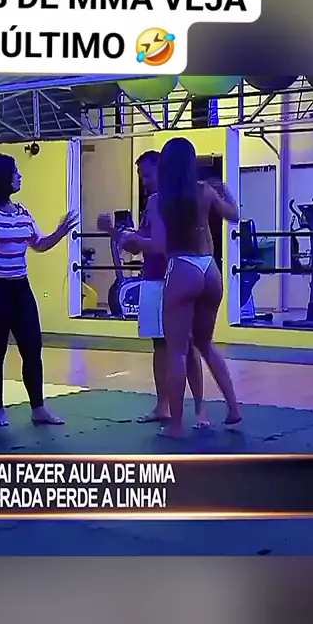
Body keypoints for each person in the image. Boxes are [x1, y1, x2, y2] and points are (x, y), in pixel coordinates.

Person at [0, 153, 78, 427]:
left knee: (32, 346)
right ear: (1, 177)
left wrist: (61, 231)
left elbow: (38, 243)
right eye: (15, 172)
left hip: (20, 288)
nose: (20, 176)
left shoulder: (22, 211)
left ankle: (38, 408)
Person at [98, 149, 209, 428]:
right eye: (141, 176)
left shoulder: (173, 202)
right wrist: (114, 232)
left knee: (187, 345)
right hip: (153, 277)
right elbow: (141, 244)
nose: (144, 181)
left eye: (147, 175)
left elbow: (161, 245)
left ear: (163, 170)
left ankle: (200, 409)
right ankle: (163, 406)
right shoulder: (152, 204)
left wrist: (132, 239)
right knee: (159, 344)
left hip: (174, 278)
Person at [151, 136, 242, 438]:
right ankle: (234, 408)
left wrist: (129, 239)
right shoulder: (204, 191)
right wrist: (223, 188)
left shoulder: (158, 200)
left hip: (182, 268)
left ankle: (176, 425)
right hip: (209, 268)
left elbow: (159, 245)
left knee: (177, 351)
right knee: (206, 343)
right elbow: (234, 215)